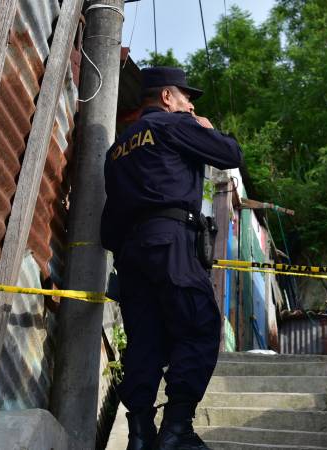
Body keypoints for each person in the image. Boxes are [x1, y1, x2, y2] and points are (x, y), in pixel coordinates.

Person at [101, 67, 242, 450]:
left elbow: (108, 228)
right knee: (199, 326)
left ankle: (140, 434)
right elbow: (231, 154)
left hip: (131, 256)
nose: (190, 103)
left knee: (144, 342)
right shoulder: (172, 125)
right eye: (185, 96)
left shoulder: (117, 149)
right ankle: (177, 428)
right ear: (166, 97)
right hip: (172, 243)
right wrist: (206, 128)